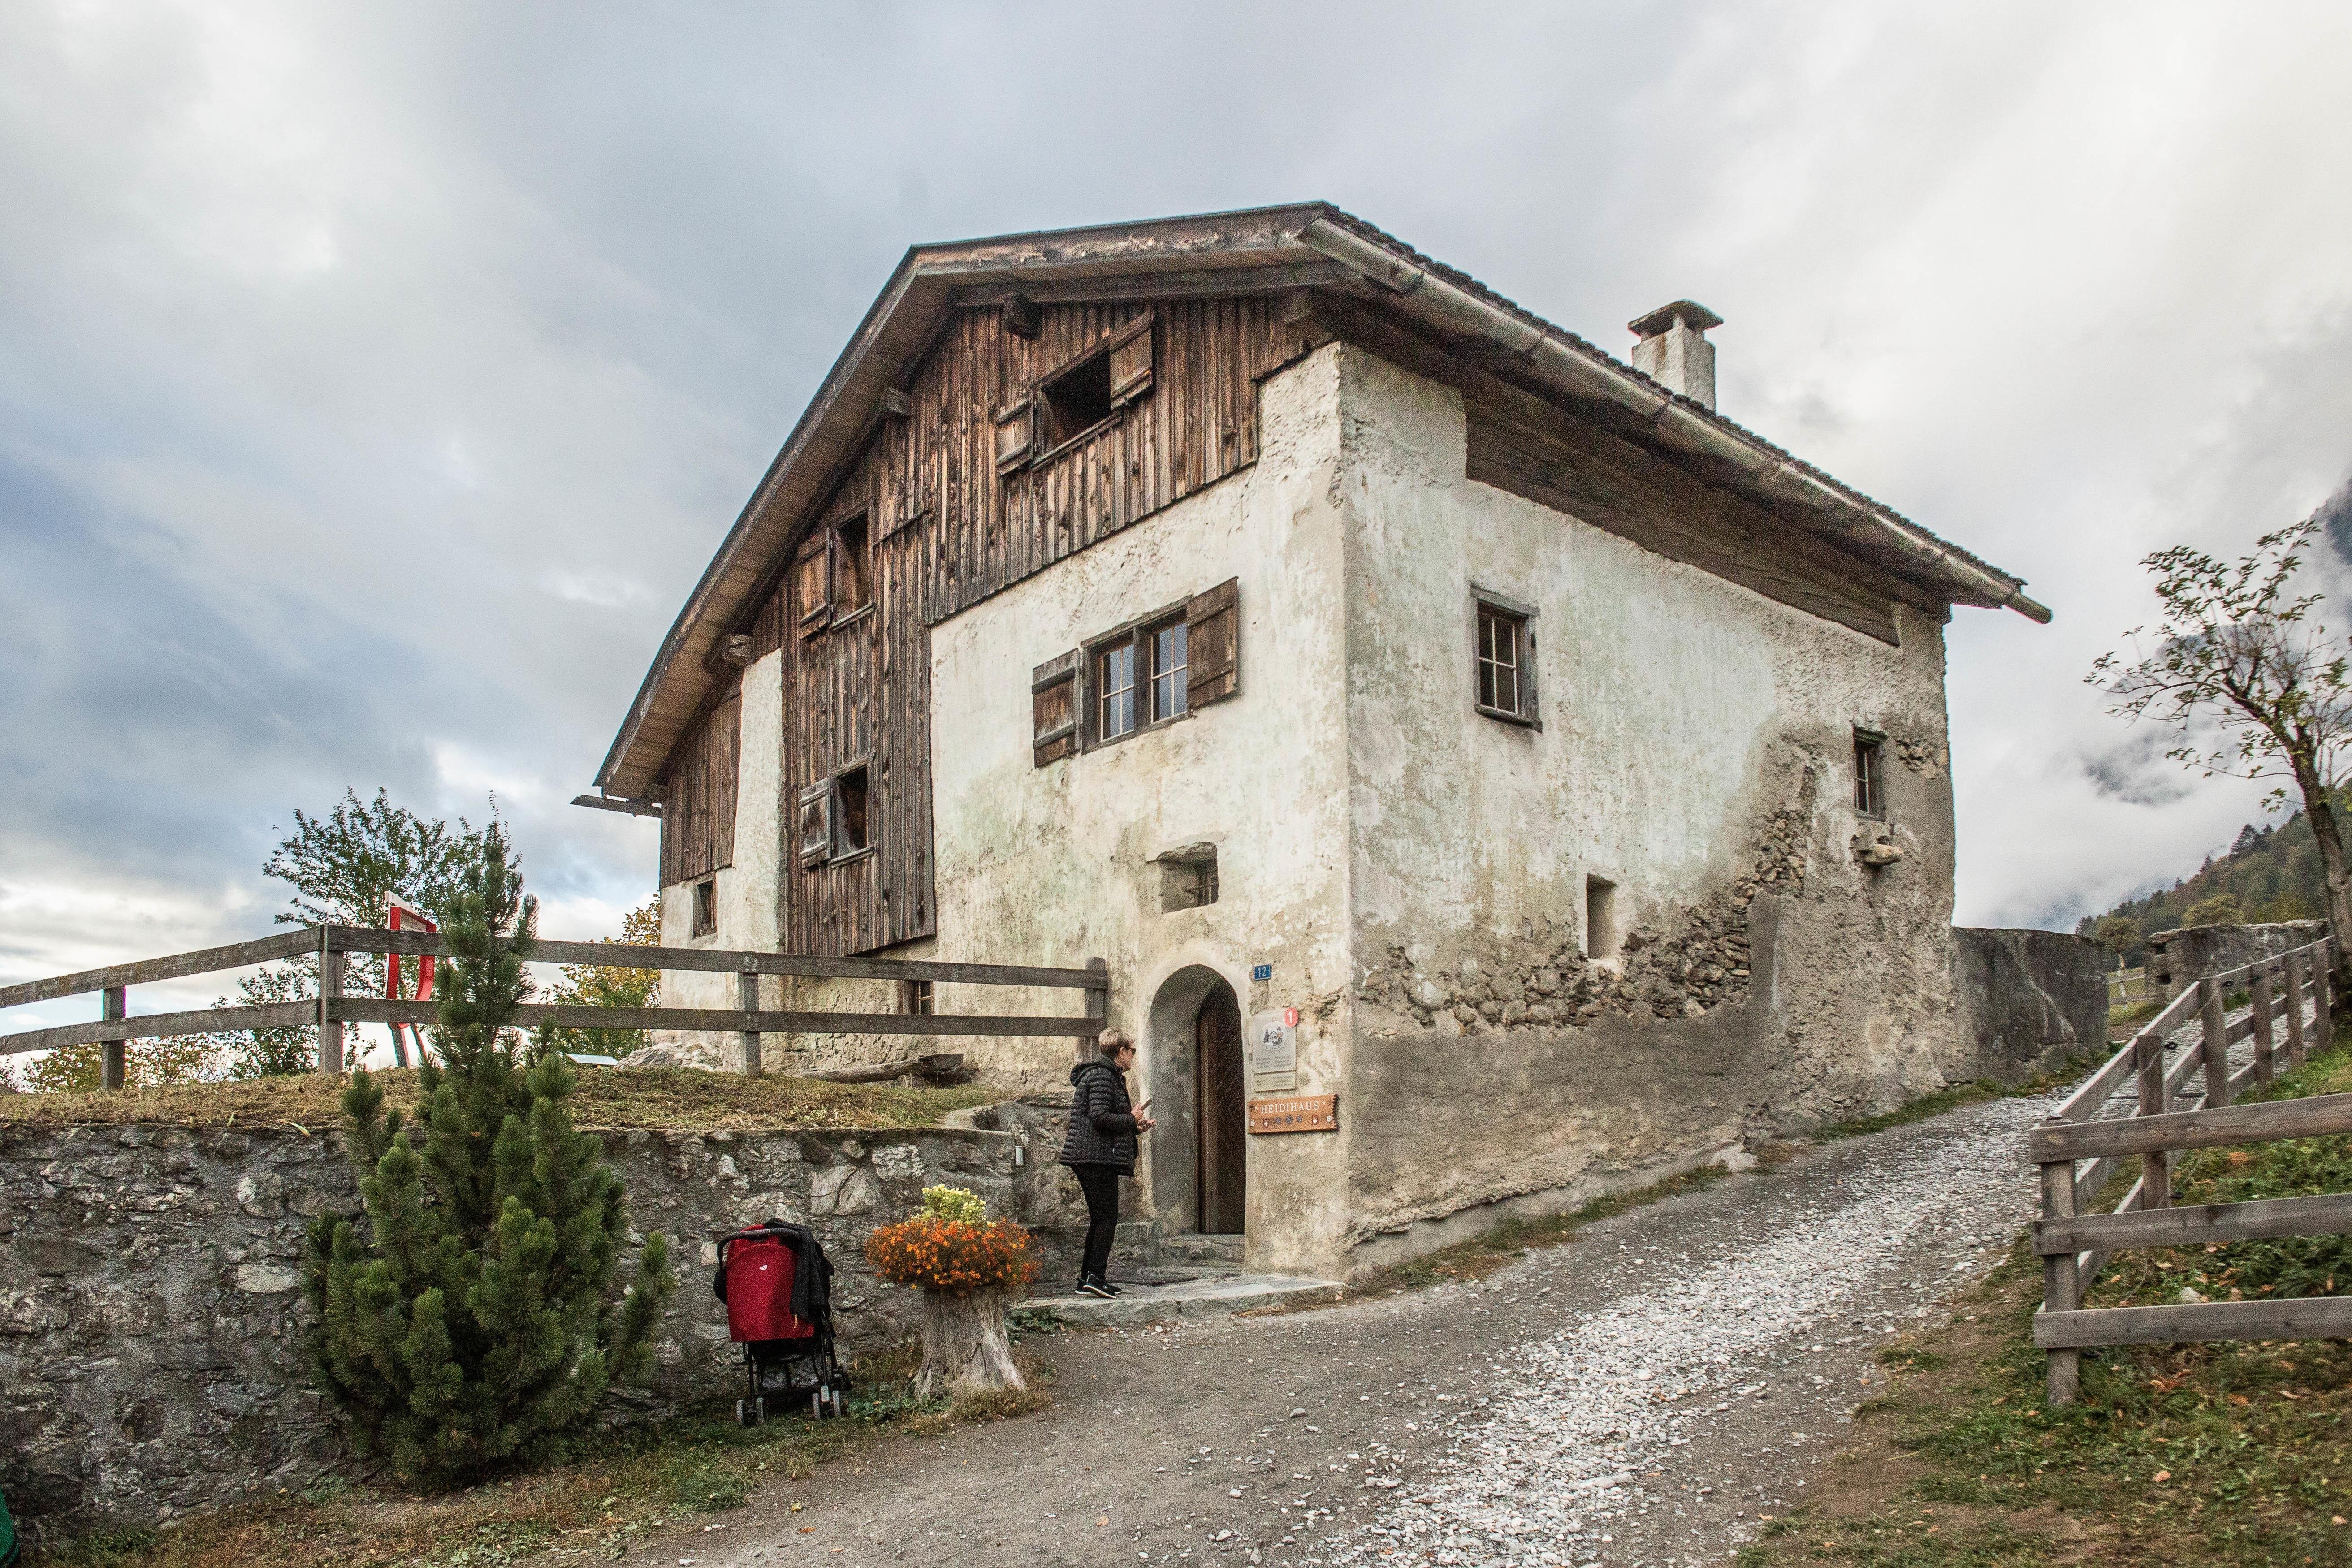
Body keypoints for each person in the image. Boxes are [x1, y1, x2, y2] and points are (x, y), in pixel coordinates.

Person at [1059, 1028, 1155, 1298]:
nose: (1134, 1056)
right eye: (1132, 1051)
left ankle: (1087, 1279)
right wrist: (1131, 1118)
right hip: (1094, 1158)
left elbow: (1107, 1121)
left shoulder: (1108, 1075)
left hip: (1095, 1156)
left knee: (1100, 1219)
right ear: (1121, 1051)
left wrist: (1135, 1126)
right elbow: (1100, 1117)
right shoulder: (1102, 1075)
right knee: (1106, 1219)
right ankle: (1095, 1278)